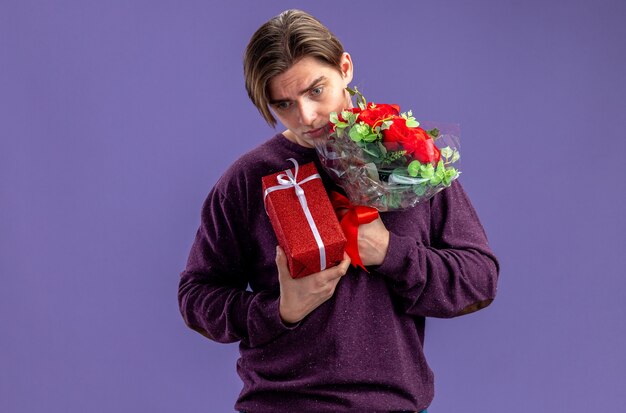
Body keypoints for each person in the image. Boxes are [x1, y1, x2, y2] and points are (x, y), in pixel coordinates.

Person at [178, 9, 499, 413]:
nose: (306, 117)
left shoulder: (411, 157)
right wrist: (278, 310)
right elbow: (195, 296)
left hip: (392, 404)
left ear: (344, 67)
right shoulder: (247, 179)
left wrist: (390, 253)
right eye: (284, 104)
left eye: (316, 91)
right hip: (280, 405)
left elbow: (479, 279)